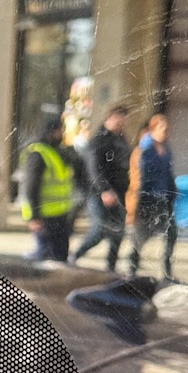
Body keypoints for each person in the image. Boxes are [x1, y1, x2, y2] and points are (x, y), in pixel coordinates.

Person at [72, 101, 131, 269]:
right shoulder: (99, 140)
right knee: (99, 229)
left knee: (118, 232)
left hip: (119, 192)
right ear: (110, 118)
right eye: (119, 121)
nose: (122, 124)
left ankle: (111, 267)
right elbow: (94, 169)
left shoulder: (121, 139)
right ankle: (75, 256)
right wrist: (105, 190)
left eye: (124, 121)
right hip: (98, 193)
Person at [19, 113, 81, 263]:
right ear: (52, 131)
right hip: (45, 216)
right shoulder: (38, 153)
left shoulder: (55, 151)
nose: (63, 133)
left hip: (59, 214)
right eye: (61, 130)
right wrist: (34, 217)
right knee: (47, 259)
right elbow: (31, 186)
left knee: (58, 257)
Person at [127, 113, 177, 278]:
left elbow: (168, 173)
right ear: (153, 129)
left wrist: (173, 191)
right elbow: (140, 176)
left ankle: (166, 271)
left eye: (167, 129)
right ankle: (132, 267)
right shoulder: (145, 149)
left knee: (171, 232)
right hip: (147, 198)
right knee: (141, 235)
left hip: (164, 198)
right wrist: (140, 201)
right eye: (162, 129)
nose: (166, 132)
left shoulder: (166, 149)